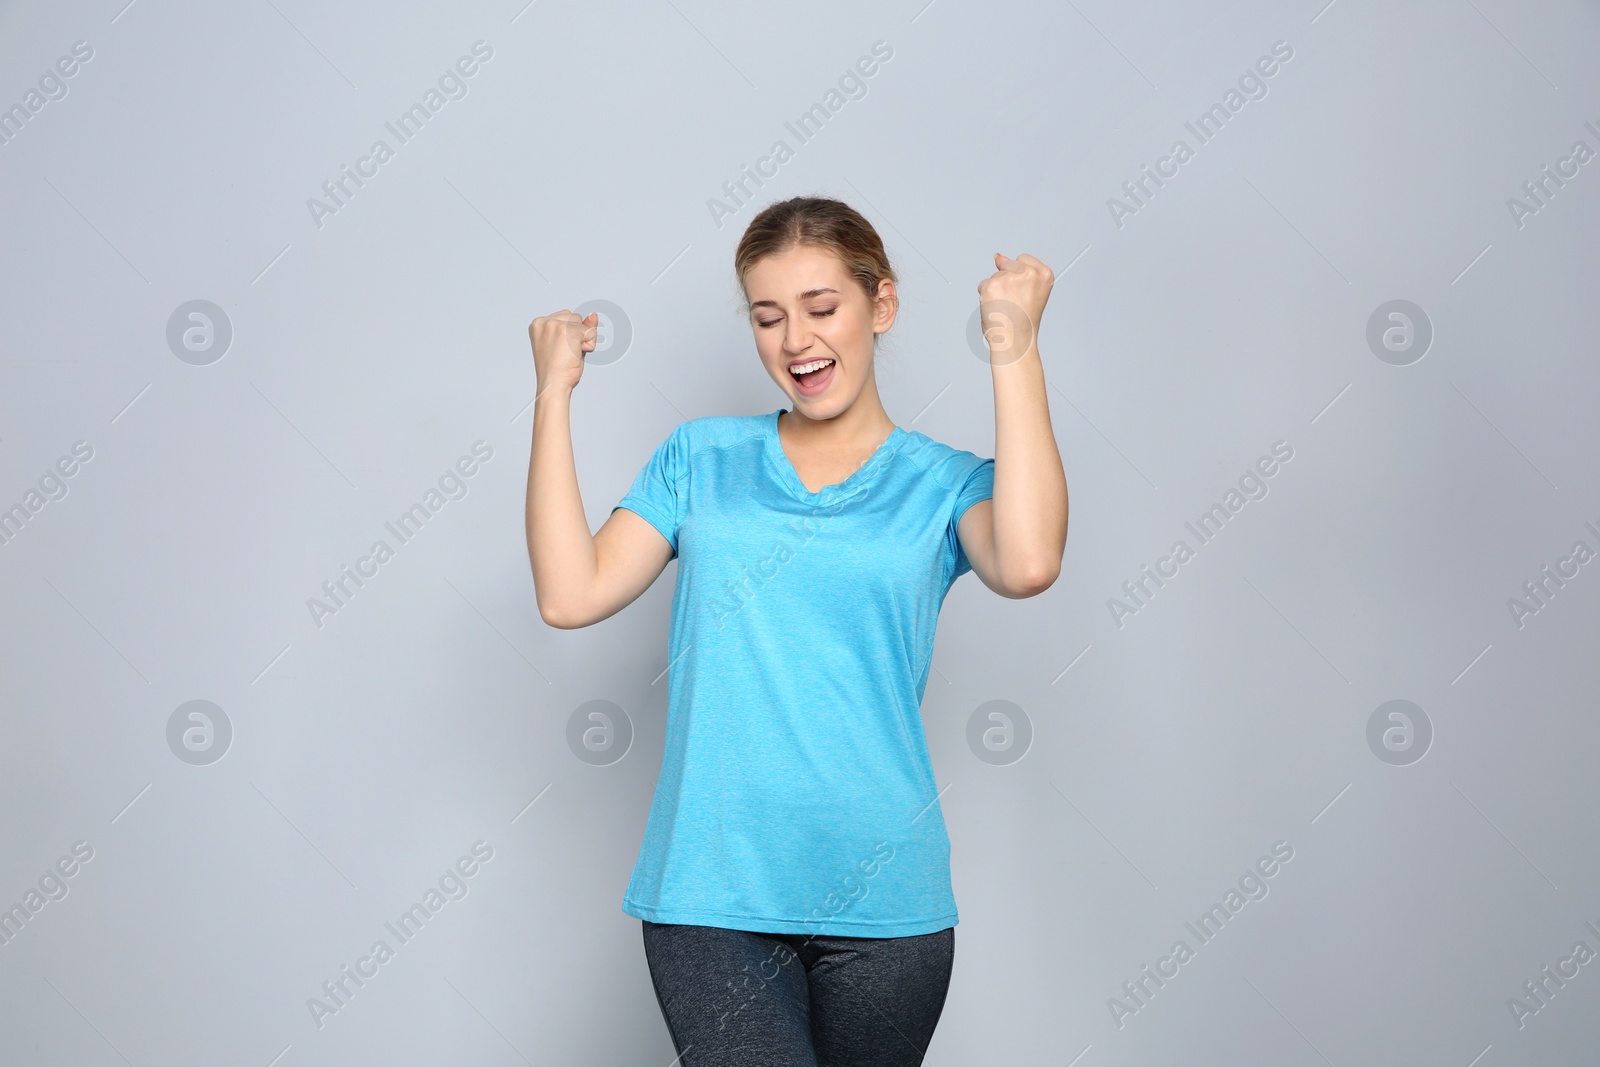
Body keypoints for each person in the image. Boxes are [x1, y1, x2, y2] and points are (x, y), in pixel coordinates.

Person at [524, 196, 1068, 1066]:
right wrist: (554, 395)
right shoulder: (701, 458)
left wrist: (1014, 346)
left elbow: (1030, 560)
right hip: (712, 895)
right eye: (768, 317)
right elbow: (571, 590)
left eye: (822, 309)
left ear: (880, 306)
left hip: (888, 902)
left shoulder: (942, 482)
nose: (795, 341)